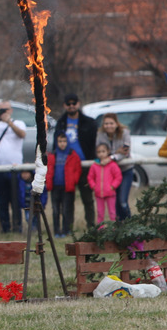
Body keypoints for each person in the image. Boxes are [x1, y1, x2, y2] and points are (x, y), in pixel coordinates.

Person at [52, 94, 98, 228]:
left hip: (85, 165)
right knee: (68, 199)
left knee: (87, 199)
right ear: (64, 105)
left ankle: (91, 226)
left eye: (74, 103)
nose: (71, 106)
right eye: (68, 103)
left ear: (79, 104)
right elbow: (55, 144)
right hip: (66, 166)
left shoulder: (89, 122)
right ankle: (68, 227)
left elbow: (94, 143)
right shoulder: (61, 123)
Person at [0, 100, 27, 234]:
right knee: (2, 201)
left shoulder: (18, 123)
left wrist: (9, 122)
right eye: (1, 110)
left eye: (6, 109)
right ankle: (5, 228)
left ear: (11, 110)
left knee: (15, 199)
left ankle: (17, 227)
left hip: (14, 168)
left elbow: (22, 134)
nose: (4, 112)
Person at [97, 113, 132, 221]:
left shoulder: (125, 132)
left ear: (116, 124)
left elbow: (125, 152)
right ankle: (119, 228)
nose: (108, 126)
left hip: (125, 170)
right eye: (106, 124)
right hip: (110, 172)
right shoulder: (101, 134)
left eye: (111, 123)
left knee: (122, 201)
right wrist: (117, 152)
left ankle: (130, 224)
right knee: (114, 203)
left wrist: (111, 156)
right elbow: (100, 151)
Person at [46, 132, 81, 237]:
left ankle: (66, 230)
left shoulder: (72, 154)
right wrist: (48, 182)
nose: (62, 144)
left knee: (67, 210)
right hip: (55, 186)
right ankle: (57, 231)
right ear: (57, 142)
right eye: (60, 141)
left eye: (64, 141)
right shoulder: (52, 155)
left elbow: (77, 170)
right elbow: (48, 170)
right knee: (55, 210)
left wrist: (73, 180)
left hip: (67, 187)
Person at [87, 143, 122, 225]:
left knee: (112, 213)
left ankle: (113, 229)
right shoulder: (94, 166)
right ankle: (100, 230)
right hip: (98, 193)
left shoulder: (112, 165)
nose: (101, 154)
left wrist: (113, 186)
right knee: (100, 213)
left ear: (108, 152)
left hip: (110, 193)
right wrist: (94, 186)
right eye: (99, 152)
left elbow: (118, 177)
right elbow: (90, 177)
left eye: (103, 151)